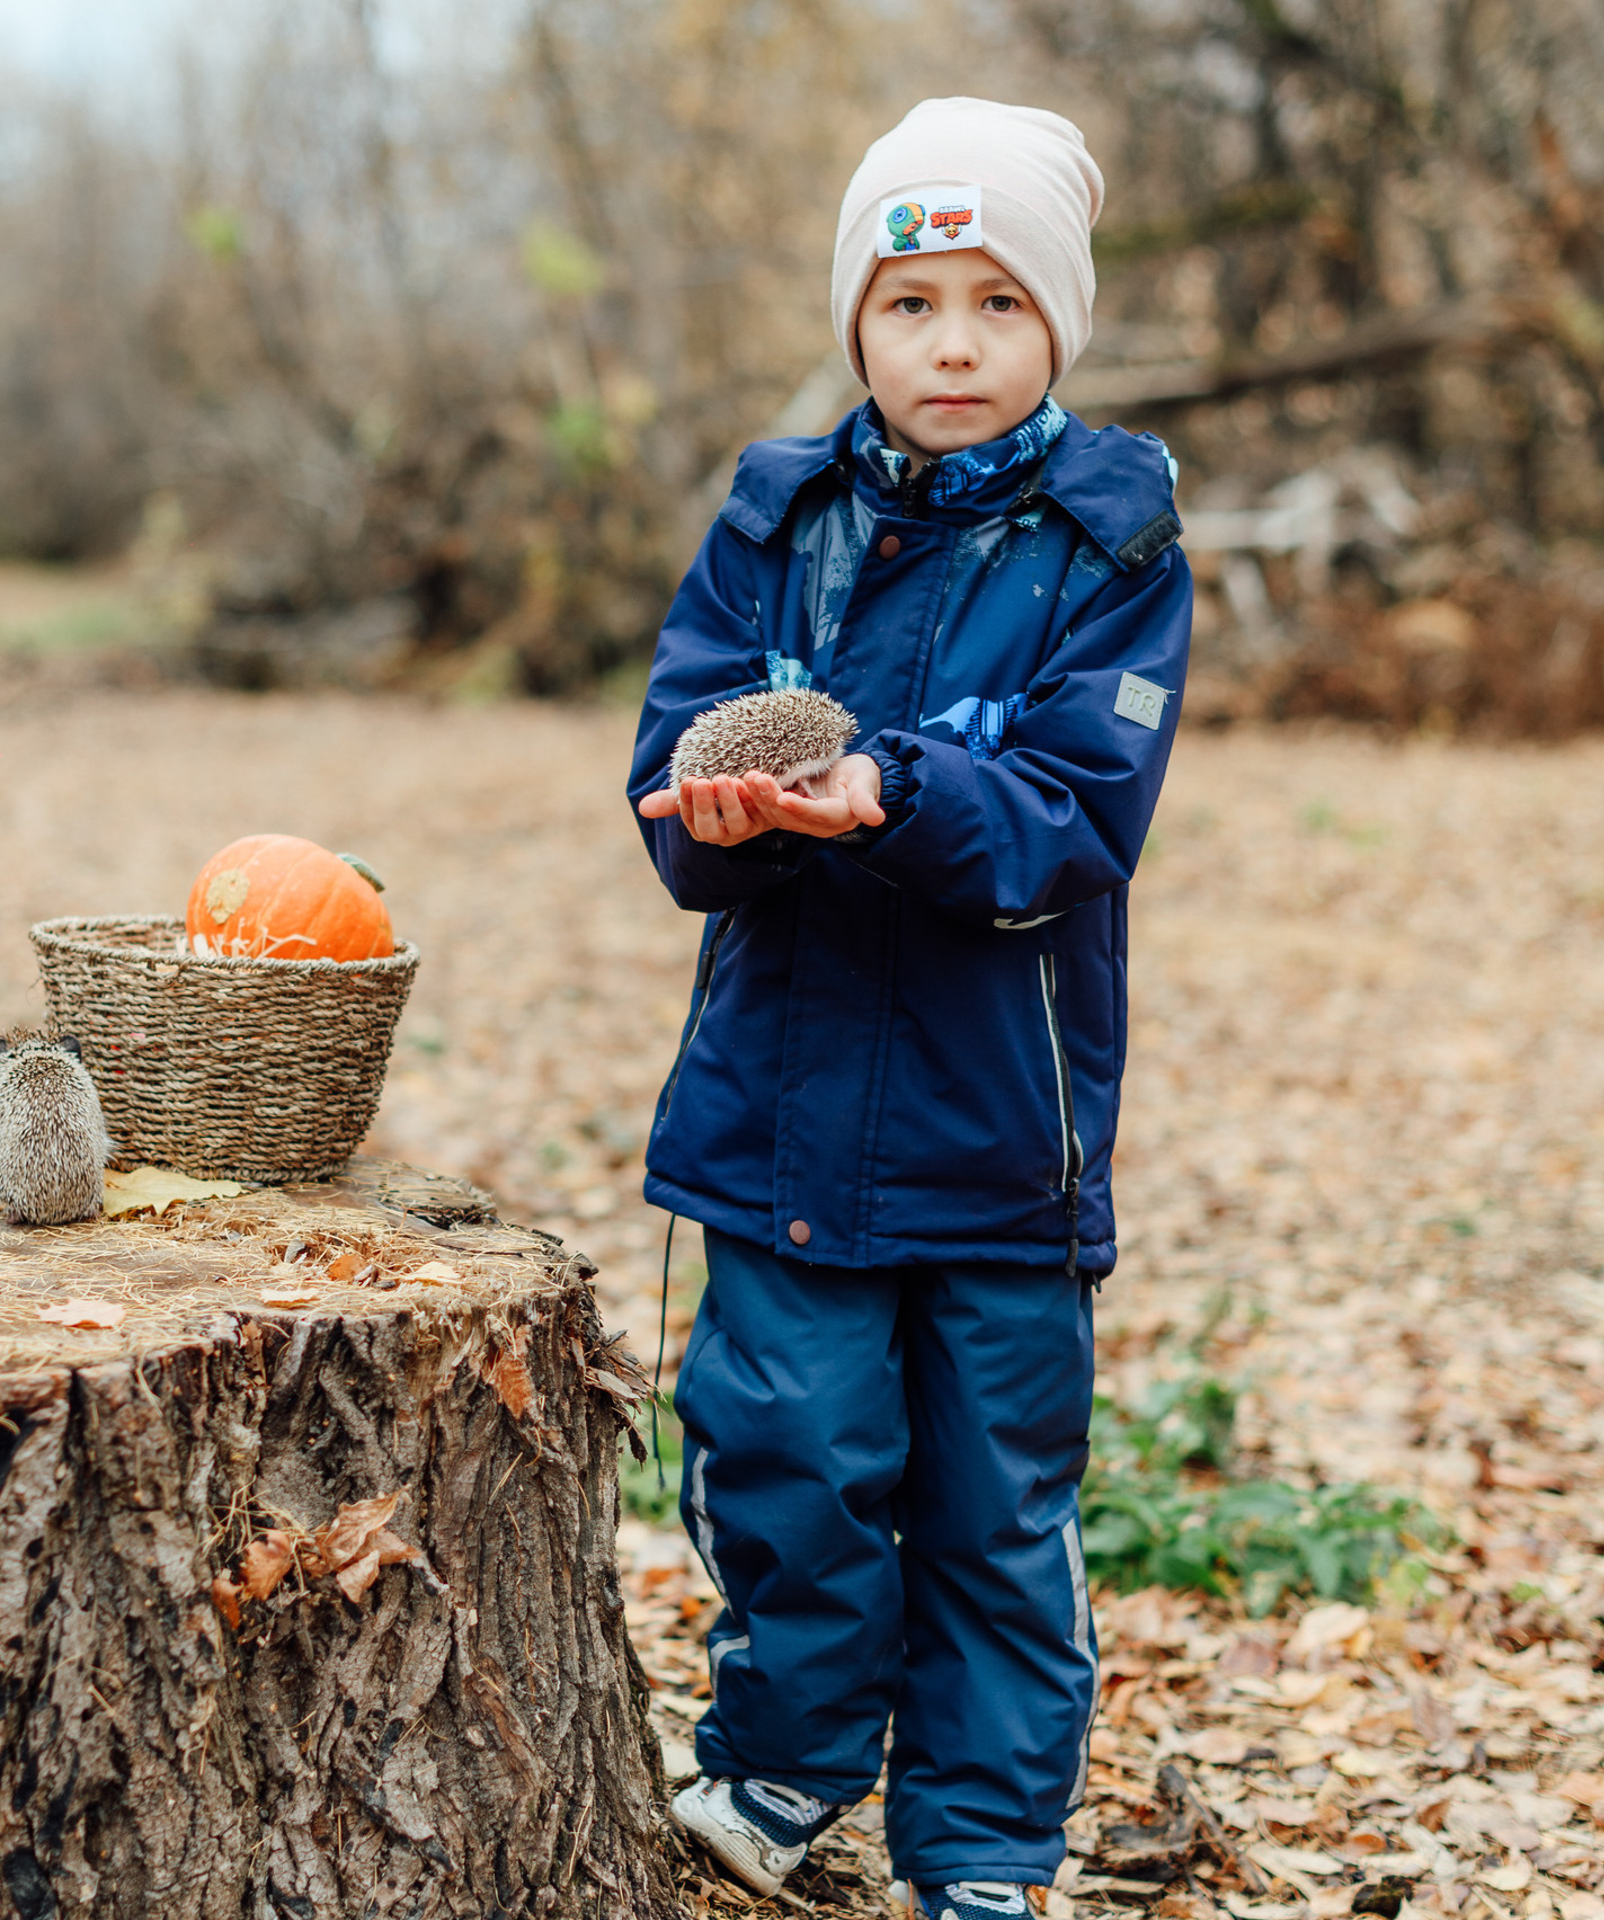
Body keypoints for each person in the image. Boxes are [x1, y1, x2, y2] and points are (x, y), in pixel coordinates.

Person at [626, 97, 1193, 1920]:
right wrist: (720, 816)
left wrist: (894, 792)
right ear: (857, 324)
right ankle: (784, 1766)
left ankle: (978, 1847)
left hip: (1001, 1142)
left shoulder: (1111, 548)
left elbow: (1081, 816)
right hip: (778, 1114)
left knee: (993, 1515)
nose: (951, 343)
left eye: (996, 304)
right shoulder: (772, 526)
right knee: (786, 1460)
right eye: (911, 301)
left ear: (1056, 328)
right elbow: (678, 775)